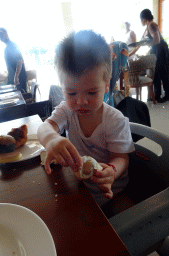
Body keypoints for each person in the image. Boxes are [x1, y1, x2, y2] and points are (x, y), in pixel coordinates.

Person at [37, 30, 135, 208]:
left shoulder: (115, 120)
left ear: (106, 85)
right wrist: (51, 138)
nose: (81, 101)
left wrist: (112, 171)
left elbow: (122, 158)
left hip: (113, 188)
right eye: (71, 92)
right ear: (62, 87)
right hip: (82, 186)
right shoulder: (67, 110)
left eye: (91, 92)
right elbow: (44, 127)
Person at [130, 9, 169, 103]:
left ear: (143, 19)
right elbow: (140, 44)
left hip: (160, 49)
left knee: (161, 72)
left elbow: (157, 40)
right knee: (158, 72)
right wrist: (130, 53)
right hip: (157, 49)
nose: (140, 22)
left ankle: (163, 95)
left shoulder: (151, 25)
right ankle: (157, 95)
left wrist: (145, 43)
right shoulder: (148, 26)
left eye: (140, 20)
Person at [0, 28, 27, 92]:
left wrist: (16, 76)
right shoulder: (7, 47)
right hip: (14, 79)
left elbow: (19, 61)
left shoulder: (12, 45)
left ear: (6, 34)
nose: (0, 37)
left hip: (19, 79)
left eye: (1, 34)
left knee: (22, 97)